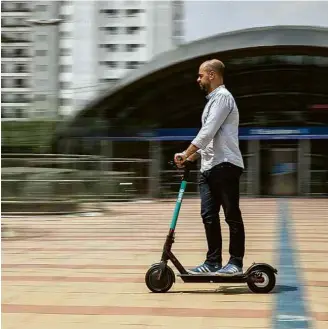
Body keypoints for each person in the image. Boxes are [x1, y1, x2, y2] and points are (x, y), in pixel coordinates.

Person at [174, 59, 245, 276]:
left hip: (225, 165)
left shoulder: (223, 98)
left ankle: (235, 262)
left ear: (212, 74)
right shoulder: (212, 101)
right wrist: (193, 156)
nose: (198, 79)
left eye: (201, 75)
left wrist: (186, 152)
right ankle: (212, 262)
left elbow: (208, 131)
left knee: (231, 214)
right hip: (209, 166)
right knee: (208, 215)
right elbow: (211, 139)